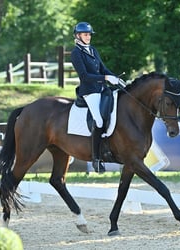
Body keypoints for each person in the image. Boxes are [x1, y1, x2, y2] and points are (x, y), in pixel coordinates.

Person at [70, 22, 120, 173]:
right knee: (98, 121)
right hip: (89, 91)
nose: (88, 37)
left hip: (101, 88)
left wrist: (115, 78)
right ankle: (96, 159)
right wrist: (105, 78)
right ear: (78, 36)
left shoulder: (93, 50)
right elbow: (85, 76)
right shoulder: (76, 53)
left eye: (89, 34)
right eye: (85, 34)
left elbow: (103, 68)